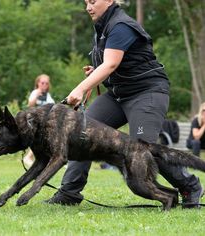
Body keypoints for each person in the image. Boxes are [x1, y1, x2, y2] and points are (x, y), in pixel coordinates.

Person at [46, 0, 203, 208]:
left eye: (93, 1)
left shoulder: (121, 25)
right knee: (81, 130)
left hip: (147, 92)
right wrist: (94, 75)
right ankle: (69, 192)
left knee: (142, 149)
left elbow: (111, 63)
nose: (88, 7)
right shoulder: (102, 27)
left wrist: (81, 88)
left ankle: (189, 186)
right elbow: (111, 63)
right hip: (118, 95)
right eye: (85, 2)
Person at [23, 74, 55, 166]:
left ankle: (38, 158)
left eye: (46, 83)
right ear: (38, 83)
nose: (44, 85)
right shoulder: (35, 92)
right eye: (42, 83)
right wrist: (37, 95)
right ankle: (29, 157)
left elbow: (52, 105)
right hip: (35, 120)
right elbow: (30, 105)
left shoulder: (48, 95)